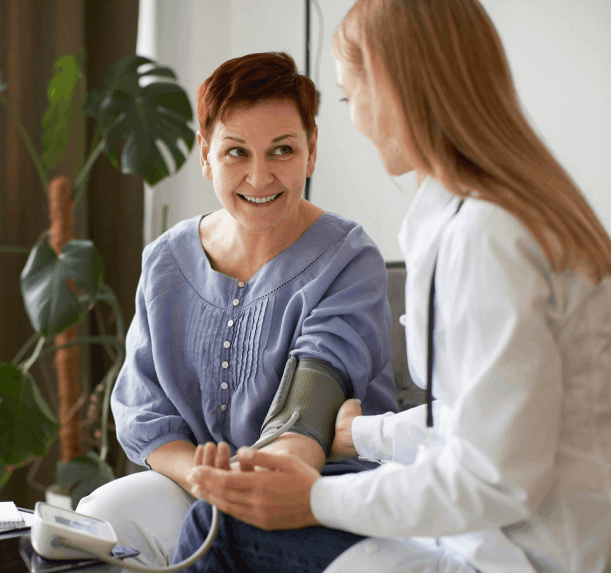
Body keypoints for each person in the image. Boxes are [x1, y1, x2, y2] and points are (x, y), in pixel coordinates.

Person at [174, 1, 611, 572]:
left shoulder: (486, 237)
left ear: (391, 88)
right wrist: (363, 435)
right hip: (515, 541)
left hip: (510, 559)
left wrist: (311, 499)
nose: (355, 120)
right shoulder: (503, 213)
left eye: (352, 97)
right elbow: (477, 421)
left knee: (220, 526)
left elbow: (496, 479)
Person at [74, 51, 400, 571]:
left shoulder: (348, 259)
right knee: (104, 517)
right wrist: (205, 479)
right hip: (198, 483)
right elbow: (145, 414)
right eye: (236, 153)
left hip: (318, 484)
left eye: (282, 151)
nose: (260, 176)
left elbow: (315, 393)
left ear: (311, 151)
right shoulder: (166, 261)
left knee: (226, 528)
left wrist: (258, 483)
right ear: (205, 154)